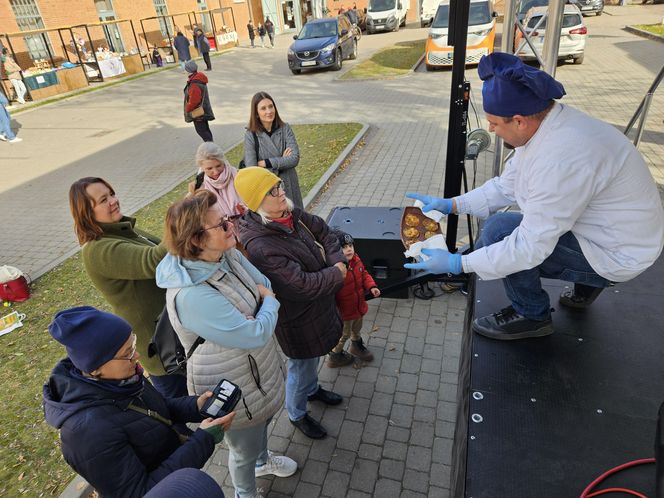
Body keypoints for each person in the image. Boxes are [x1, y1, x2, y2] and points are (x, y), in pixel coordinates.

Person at [405, 52, 664, 341]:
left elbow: (529, 248)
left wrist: (458, 264)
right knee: (516, 227)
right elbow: (506, 186)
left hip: (619, 252)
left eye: (494, 123)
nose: (490, 129)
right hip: (616, 231)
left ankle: (531, 315)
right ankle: (586, 285)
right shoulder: (551, 124)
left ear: (518, 121)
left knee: (497, 232)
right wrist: (453, 204)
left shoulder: (561, 158)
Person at [156, 190, 297, 498]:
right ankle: (245, 493)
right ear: (195, 240)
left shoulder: (225, 253)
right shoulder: (192, 295)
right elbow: (256, 330)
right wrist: (269, 304)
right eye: (221, 225)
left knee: (262, 424)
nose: (231, 227)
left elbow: (265, 284)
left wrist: (262, 306)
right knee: (242, 450)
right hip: (232, 383)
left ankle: (263, 462)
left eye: (227, 220)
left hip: (256, 369)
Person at [43, 306, 235, 498]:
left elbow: (158, 408)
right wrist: (203, 440)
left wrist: (196, 406)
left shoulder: (123, 378)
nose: (136, 356)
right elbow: (141, 492)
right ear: (95, 368)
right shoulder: (86, 435)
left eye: (133, 345)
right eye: (127, 353)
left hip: (178, 471)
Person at [235, 167, 346, 440]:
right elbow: (300, 285)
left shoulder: (291, 214)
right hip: (299, 321)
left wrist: (337, 262)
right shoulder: (261, 245)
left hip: (320, 308)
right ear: (257, 202)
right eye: (272, 191)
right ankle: (296, 414)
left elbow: (326, 233)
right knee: (300, 367)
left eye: (279, 185)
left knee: (312, 361)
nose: (281, 192)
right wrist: (337, 274)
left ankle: (312, 390)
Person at [68, 177, 186, 398]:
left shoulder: (121, 229)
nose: (113, 201)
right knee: (181, 415)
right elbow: (154, 261)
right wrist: (182, 218)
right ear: (86, 213)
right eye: (103, 200)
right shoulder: (98, 250)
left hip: (176, 331)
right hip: (164, 347)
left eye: (111, 194)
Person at [327, 231, 380, 367]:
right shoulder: (335, 269)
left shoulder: (356, 260)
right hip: (344, 313)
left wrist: (371, 286)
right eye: (344, 247)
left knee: (357, 328)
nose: (349, 249)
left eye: (350, 245)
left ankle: (356, 346)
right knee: (343, 335)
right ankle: (335, 356)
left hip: (358, 306)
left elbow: (364, 274)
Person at [243, 91, 303, 209]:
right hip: (270, 191)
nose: (269, 111)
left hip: (290, 185)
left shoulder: (285, 128)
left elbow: (294, 159)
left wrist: (266, 163)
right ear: (256, 113)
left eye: (271, 106)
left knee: (297, 221)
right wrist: (283, 160)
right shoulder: (251, 135)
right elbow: (252, 169)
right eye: (263, 108)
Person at [189, 142, 246, 219]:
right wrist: (192, 194)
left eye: (218, 166)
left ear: (223, 161)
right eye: (209, 168)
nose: (215, 172)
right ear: (201, 167)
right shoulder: (199, 187)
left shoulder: (239, 176)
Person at [183, 60, 215, 142]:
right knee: (205, 131)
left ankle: (210, 149)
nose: (184, 71)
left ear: (188, 70)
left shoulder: (194, 84)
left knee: (203, 132)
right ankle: (211, 147)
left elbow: (194, 101)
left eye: (185, 69)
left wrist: (188, 108)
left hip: (198, 113)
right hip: (202, 110)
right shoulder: (197, 78)